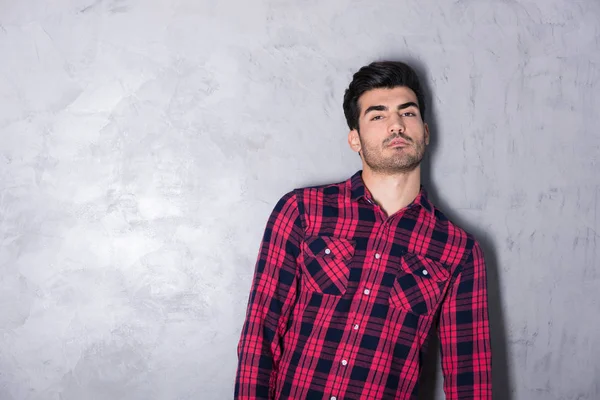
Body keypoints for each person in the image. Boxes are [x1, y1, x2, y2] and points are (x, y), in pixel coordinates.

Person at [235, 61, 492, 400]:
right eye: (378, 116)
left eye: (408, 113)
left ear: (425, 133)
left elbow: (470, 377)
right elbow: (260, 334)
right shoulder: (302, 212)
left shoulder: (457, 250)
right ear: (354, 139)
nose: (396, 125)